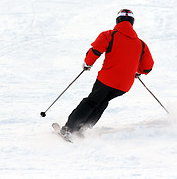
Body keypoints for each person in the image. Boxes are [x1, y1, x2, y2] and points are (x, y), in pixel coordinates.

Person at [60, 9, 154, 137]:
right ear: (132, 22)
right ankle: (84, 128)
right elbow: (147, 67)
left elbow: (95, 51)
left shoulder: (109, 35)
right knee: (103, 102)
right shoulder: (141, 44)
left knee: (92, 101)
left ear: (117, 20)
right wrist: (137, 71)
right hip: (124, 86)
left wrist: (88, 64)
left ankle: (69, 129)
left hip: (107, 79)